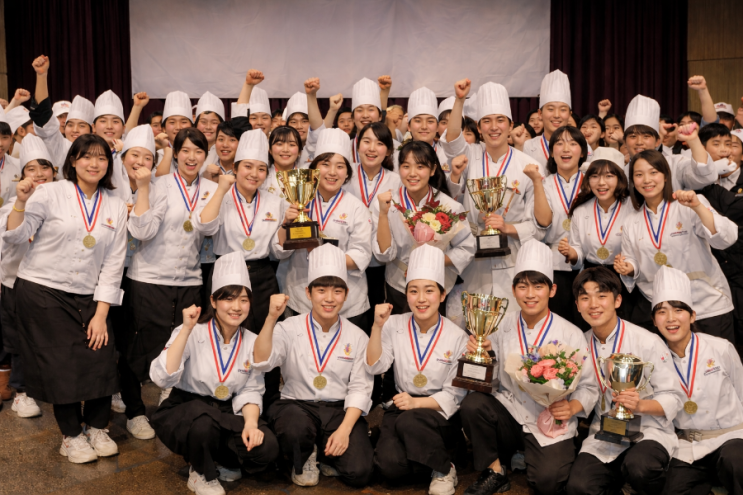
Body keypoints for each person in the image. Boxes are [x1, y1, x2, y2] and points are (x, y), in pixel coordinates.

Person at [4, 133, 127, 463]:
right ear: (73, 161)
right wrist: (20, 202)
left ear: (108, 164)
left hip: (89, 294)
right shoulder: (49, 192)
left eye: (101, 157)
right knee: (60, 365)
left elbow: (114, 262)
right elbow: (16, 235)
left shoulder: (115, 204)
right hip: (43, 290)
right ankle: (71, 436)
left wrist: (101, 314)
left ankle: (97, 427)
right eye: (86, 156)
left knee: (100, 358)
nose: (93, 163)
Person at [460, 240, 597, 495]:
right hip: (510, 412)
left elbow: (589, 387)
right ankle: (495, 470)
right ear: (513, 291)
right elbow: (492, 381)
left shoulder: (571, 333)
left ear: (552, 290)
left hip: (550, 418)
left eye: (538, 286)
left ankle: (526, 455)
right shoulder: (500, 325)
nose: (530, 294)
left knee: (548, 482)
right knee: (472, 405)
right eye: (523, 286)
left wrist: (572, 407)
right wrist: (485, 355)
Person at [150, 252, 282, 495]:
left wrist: (251, 425)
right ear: (213, 301)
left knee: (267, 448)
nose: (236, 307)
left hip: (228, 410)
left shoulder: (252, 340)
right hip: (189, 409)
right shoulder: (192, 330)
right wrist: (186, 330)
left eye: (243, 300)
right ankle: (200, 473)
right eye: (228, 299)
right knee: (203, 424)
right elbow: (162, 377)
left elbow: (251, 390)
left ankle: (221, 461)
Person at [253, 244, 375, 488]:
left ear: (346, 295)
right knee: (295, 429)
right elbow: (262, 360)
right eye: (321, 290)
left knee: (359, 472)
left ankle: (324, 451)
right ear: (308, 293)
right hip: (296, 406)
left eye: (337, 291)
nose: (329, 299)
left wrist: (344, 430)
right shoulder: (288, 327)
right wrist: (271, 318)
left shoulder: (358, 336)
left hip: (338, 410)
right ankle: (305, 456)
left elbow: (361, 388)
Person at [565, 266, 685, 495]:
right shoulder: (578, 344)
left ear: (617, 300)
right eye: (585, 298)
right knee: (579, 487)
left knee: (640, 467)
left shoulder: (646, 340)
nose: (593, 304)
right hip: (604, 431)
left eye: (602, 296)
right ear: (578, 305)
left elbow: (673, 396)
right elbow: (582, 389)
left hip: (649, 429)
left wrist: (640, 405)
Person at [124, 128, 219, 416]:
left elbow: (210, 229)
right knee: (139, 347)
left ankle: (171, 403)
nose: (192, 157)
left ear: (205, 155)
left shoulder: (213, 189)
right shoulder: (157, 184)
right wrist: (143, 189)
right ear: (175, 153)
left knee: (182, 343)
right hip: (148, 278)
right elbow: (141, 231)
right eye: (185, 150)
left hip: (190, 280)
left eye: (198, 151)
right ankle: (134, 411)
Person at [366, 244, 469, 495]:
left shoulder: (458, 337)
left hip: (438, 412)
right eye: (414, 291)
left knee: (410, 421)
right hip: (401, 406)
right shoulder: (393, 324)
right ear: (406, 294)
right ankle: (442, 455)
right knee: (389, 468)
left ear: (442, 295)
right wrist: (377, 327)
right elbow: (375, 366)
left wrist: (416, 404)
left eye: (429, 290)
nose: (421, 299)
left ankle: (444, 469)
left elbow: (455, 394)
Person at [440, 79, 538, 325]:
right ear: (479, 127)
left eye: (500, 120)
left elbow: (538, 224)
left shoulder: (527, 165)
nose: (494, 127)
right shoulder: (470, 154)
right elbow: (451, 140)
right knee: (474, 327)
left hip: (512, 260)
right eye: (486, 121)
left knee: (511, 327)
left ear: (511, 125)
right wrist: (459, 100)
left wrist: (507, 227)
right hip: (473, 260)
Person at [615, 150, 738, 341]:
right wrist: (628, 267)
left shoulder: (688, 204)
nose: (646, 180)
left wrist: (697, 207)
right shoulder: (632, 220)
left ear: (666, 175)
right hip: (663, 310)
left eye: (653, 172)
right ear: (633, 181)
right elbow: (633, 259)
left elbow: (725, 239)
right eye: (639, 174)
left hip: (705, 304)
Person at [651, 266, 743, 495]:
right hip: (689, 447)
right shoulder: (655, 359)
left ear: (692, 316)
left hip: (732, 439)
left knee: (736, 462)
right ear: (654, 321)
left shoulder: (720, 348)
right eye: (662, 312)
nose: (671, 318)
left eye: (678, 310)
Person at [275, 128, 373, 329]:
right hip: (301, 295)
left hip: (346, 301)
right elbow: (279, 251)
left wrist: (319, 253)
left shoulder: (357, 208)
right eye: (325, 164)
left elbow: (361, 255)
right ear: (314, 168)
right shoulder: (295, 201)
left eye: (340, 166)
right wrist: (286, 224)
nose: (332, 172)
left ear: (347, 172)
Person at [374, 140, 475, 315]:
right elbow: (384, 255)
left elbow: (467, 247)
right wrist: (383, 214)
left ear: (433, 169)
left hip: (436, 287)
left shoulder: (449, 206)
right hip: (398, 285)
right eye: (406, 166)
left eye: (420, 166)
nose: (412, 173)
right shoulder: (387, 203)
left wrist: (432, 261)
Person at [0, 134, 55, 418]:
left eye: (44, 167)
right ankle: (22, 392)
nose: (39, 173)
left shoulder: (65, 203)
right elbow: (8, 238)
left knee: (48, 338)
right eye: (31, 169)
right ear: (22, 176)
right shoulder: (13, 205)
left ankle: (48, 386)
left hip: (51, 285)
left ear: (54, 171)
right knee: (18, 340)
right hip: (16, 284)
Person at [108, 124, 158, 423]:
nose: (140, 162)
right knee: (107, 333)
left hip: (138, 272)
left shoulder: (157, 187)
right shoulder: (108, 184)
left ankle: (125, 388)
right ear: (122, 157)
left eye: (147, 157)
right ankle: (110, 387)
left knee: (129, 335)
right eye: (134, 155)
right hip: (107, 271)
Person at [562, 148, 634, 321]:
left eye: (609, 176)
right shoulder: (581, 210)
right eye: (595, 176)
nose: (601, 182)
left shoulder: (633, 208)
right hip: (590, 280)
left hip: (623, 279)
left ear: (620, 178)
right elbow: (578, 251)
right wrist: (572, 253)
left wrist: (629, 265)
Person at [342, 122, 401, 329]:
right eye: (366, 141)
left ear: (389, 150)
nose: (372, 148)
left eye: (379, 143)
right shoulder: (344, 175)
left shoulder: (397, 181)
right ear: (357, 146)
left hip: (381, 265)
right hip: (348, 262)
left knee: (377, 324)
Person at [528, 125, 587, 325]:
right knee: (556, 325)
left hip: (587, 264)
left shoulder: (593, 183)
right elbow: (543, 222)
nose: (566, 149)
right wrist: (537, 182)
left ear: (583, 152)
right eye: (559, 143)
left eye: (573, 143)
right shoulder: (544, 184)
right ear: (552, 152)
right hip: (554, 267)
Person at [522, 70, 573, 175]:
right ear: (540, 113)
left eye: (563, 110)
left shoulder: (581, 144)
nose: (557, 115)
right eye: (550, 109)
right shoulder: (528, 146)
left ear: (569, 114)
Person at [406, 87, 450, 171]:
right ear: (408, 126)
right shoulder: (397, 157)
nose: (424, 126)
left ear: (437, 127)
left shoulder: (448, 156)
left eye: (430, 121)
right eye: (418, 121)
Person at [154, 91, 192, 175]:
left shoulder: (198, 151)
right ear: (164, 128)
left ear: (192, 126)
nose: (178, 127)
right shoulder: (156, 154)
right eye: (172, 122)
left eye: (184, 122)